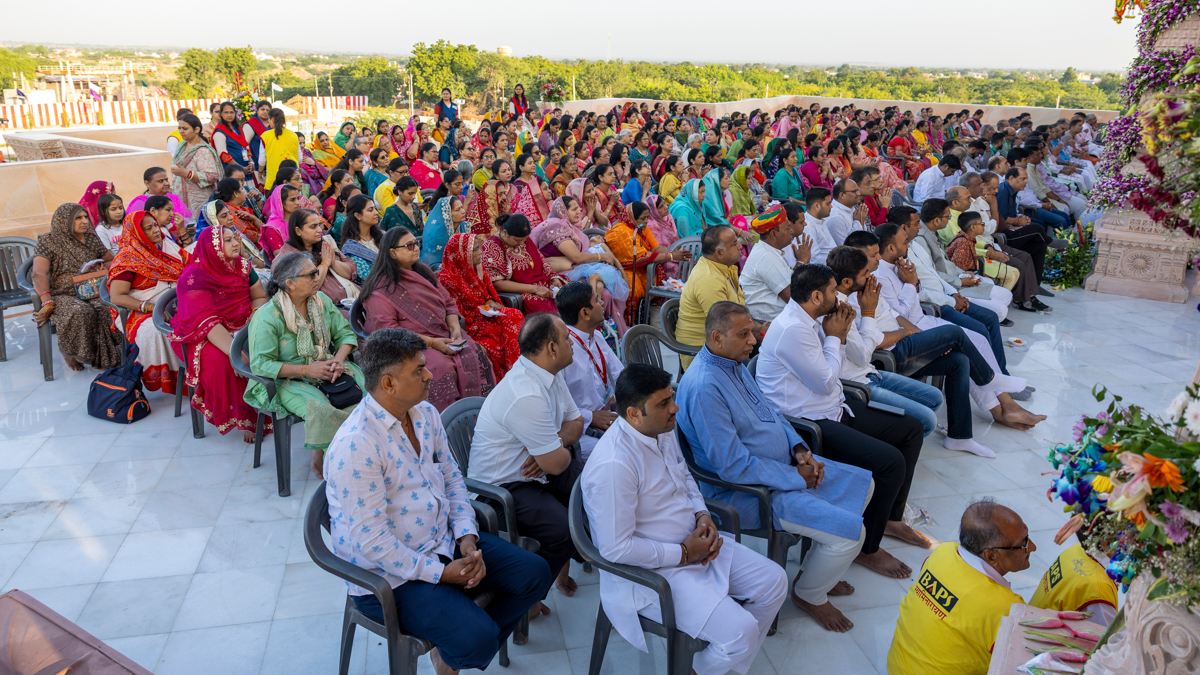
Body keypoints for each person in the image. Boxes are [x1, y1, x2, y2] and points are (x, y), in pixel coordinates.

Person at [324, 328, 551, 675]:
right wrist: (442, 574)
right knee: (478, 642)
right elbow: (373, 542)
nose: (430, 374)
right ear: (388, 384)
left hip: (442, 542)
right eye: (419, 370)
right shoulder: (357, 445)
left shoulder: (425, 414)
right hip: (389, 577)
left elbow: (452, 479)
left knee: (535, 574)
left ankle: (453, 646)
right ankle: (460, 647)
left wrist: (467, 538)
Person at [583, 363, 789, 674]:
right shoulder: (615, 465)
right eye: (663, 403)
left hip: (693, 543)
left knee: (774, 582)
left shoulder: (661, 430)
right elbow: (616, 549)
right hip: (651, 573)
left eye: (672, 398)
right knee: (741, 633)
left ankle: (704, 669)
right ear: (634, 414)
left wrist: (702, 514)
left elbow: (685, 477)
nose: (675, 408)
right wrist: (682, 553)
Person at [756, 263, 932, 580]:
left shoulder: (812, 318)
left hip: (835, 409)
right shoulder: (793, 329)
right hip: (808, 426)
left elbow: (841, 368)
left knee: (911, 429)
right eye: (833, 291)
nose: (839, 297)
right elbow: (826, 381)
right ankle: (868, 550)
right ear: (816, 296)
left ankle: (890, 519)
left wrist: (840, 332)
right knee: (890, 462)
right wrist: (835, 337)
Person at [873, 223, 1046, 431]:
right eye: (905, 242)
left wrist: (914, 283)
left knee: (980, 339)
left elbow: (917, 296)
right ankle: (1001, 404)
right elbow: (900, 315)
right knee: (967, 344)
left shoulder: (900, 264)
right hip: (911, 329)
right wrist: (910, 284)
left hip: (924, 320)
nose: (909, 245)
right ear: (891, 248)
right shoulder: (880, 274)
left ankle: (1004, 405)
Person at [469, 313, 587, 599]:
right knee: (562, 530)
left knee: (594, 488)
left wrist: (555, 442)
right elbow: (556, 464)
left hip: (536, 474)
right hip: (500, 489)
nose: (572, 343)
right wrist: (552, 452)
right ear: (552, 348)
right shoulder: (526, 393)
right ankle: (529, 598)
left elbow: (577, 423)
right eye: (567, 339)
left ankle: (583, 561)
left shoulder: (550, 374)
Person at [246, 251, 364, 477]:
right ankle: (333, 463)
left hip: (325, 366)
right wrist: (307, 370)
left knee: (366, 392)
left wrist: (338, 360)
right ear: (290, 283)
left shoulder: (321, 301)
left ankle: (362, 455)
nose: (317, 277)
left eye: (316, 272)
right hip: (284, 380)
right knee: (322, 408)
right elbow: (261, 364)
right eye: (311, 274)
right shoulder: (268, 316)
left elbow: (345, 335)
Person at [888, 500, 1032, 675]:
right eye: (1023, 543)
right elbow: (1023, 663)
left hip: (897, 666)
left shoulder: (943, 552)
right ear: (992, 556)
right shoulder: (1006, 607)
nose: (1032, 547)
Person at [360, 227, 495, 410]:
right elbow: (389, 332)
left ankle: (477, 414)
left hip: (443, 333)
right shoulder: (381, 289)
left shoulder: (423, 271)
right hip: (408, 344)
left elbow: (448, 302)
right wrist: (433, 343)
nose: (416, 248)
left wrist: (455, 328)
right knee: (442, 368)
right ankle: (446, 421)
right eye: (409, 246)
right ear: (392, 253)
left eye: (416, 243)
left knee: (475, 353)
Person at [170, 215, 270, 443]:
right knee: (223, 363)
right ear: (211, 247)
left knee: (273, 343)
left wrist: (254, 316)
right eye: (228, 240)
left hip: (243, 322)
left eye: (234, 238)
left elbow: (259, 296)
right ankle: (246, 417)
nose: (236, 243)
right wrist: (236, 353)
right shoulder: (193, 278)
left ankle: (277, 400)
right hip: (202, 333)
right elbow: (208, 323)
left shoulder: (243, 266)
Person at [107, 197, 192, 394]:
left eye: (155, 225)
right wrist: (152, 307)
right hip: (139, 307)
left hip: (174, 300)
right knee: (158, 331)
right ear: (136, 233)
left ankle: (201, 371)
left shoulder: (165, 245)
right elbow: (117, 297)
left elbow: (189, 262)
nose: (156, 230)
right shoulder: (128, 259)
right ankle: (179, 379)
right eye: (148, 228)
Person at [30, 203, 125, 371]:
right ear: (63, 221)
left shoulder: (90, 238)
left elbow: (110, 259)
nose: (85, 221)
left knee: (106, 308)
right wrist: (47, 302)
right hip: (62, 293)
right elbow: (38, 274)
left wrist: (102, 267)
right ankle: (70, 352)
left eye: (85, 217)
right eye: (78, 218)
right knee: (81, 311)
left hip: (90, 289)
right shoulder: (49, 241)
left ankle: (106, 357)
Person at [911, 199, 1014, 324]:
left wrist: (963, 273)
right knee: (1000, 310)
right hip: (949, 286)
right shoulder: (920, 239)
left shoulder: (932, 233)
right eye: (948, 216)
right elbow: (933, 273)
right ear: (937, 220)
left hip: (954, 279)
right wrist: (959, 281)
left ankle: (986, 320)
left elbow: (946, 262)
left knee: (1005, 295)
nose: (949, 219)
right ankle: (984, 322)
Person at [675, 226, 764, 369]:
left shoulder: (720, 268)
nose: (740, 246)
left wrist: (760, 328)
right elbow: (726, 325)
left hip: (727, 337)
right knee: (766, 361)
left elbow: (736, 313)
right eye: (734, 244)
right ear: (719, 253)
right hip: (706, 351)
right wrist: (757, 334)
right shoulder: (709, 278)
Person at [437, 233, 523, 379]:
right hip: (472, 324)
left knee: (515, 315)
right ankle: (516, 371)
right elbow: (457, 313)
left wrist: (489, 303)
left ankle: (518, 367)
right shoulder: (447, 280)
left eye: (479, 248)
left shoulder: (475, 267)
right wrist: (481, 311)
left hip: (486, 314)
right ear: (461, 254)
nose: (480, 252)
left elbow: (487, 293)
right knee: (507, 326)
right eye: (475, 250)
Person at [555, 280, 625, 460]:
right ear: (585, 313)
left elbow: (619, 374)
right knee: (623, 451)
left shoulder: (597, 336)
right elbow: (555, 407)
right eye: (596, 300)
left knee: (652, 429)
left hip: (606, 413)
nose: (602, 302)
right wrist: (590, 417)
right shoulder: (563, 350)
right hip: (579, 429)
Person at [604, 202, 686, 327]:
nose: (646, 221)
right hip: (621, 268)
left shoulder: (641, 227)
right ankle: (628, 325)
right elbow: (641, 256)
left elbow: (655, 248)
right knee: (632, 286)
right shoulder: (621, 231)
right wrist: (671, 256)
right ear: (632, 218)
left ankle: (647, 320)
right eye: (643, 218)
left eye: (647, 217)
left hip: (639, 267)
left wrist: (672, 254)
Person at [482, 214, 567, 315]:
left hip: (546, 285)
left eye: (524, 240)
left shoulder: (523, 239)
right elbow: (497, 284)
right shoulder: (491, 247)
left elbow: (543, 261)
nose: (522, 244)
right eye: (517, 240)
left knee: (572, 296)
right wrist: (536, 289)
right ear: (504, 232)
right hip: (525, 291)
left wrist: (554, 279)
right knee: (553, 313)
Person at [1029, 533, 1119, 626]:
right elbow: (1107, 633)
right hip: (1038, 630)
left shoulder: (1078, 548)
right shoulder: (1098, 589)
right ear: (1106, 543)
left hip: (1031, 618)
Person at [740, 206, 811, 323]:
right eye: (788, 228)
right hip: (772, 323)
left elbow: (791, 283)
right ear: (773, 234)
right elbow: (793, 297)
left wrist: (802, 262)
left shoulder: (768, 251)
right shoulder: (766, 256)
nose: (792, 231)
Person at [276, 208, 360, 307]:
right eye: (313, 227)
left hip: (352, 298)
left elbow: (351, 272)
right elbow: (307, 286)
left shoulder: (325, 243)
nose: (320, 230)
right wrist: (324, 264)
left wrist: (333, 263)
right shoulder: (288, 256)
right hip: (325, 308)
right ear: (298, 231)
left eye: (319, 225)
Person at [170, 113, 222, 226]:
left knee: (199, 228)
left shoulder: (203, 150)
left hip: (198, 201)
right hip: (182, 199)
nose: (181, 131)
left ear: (197, 129)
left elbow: (212, 176)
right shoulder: (182, 147)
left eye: (185, 128)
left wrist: (186, 173)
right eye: (179, 128)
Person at [339, 194, 383, 281]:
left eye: (375, 208)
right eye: (370, 210)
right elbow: (367, 277)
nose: (376, 212)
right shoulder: (351, 248)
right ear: (358, 216)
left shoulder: (382, 235)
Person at [467, 159, 513, 235]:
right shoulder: (478, 222)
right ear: (490, 196)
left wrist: (510, 215)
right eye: (500, 194)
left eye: (504, 193)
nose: (505, 197)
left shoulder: (502, 212)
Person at [260, 108, 300, 190]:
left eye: (268, 119)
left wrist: (260, 172)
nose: (268, 122)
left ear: (272, 119)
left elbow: (262, 159)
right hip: (293, 180)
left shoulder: (265, 136)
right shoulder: (294, 135)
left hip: (273, 180)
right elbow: (299, 158)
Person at [799, 189, 837, 267]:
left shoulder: (820, 220)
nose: (831, 206)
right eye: (828, 203)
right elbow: (815, 260)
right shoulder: (808, 226)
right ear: (817, 206)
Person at [825, 179, 869, 246]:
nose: (859, 194)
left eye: (858, 190)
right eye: (855, 191)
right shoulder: (836, 217)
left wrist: (860, 222)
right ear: (842, 195)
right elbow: (846, 247)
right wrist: (858, 222)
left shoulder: (851, 208)